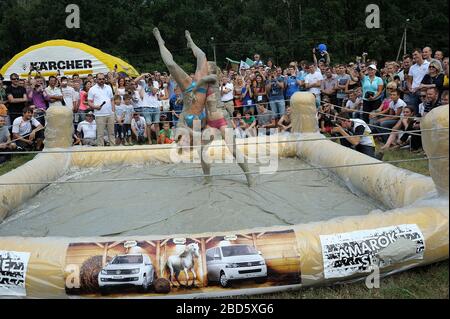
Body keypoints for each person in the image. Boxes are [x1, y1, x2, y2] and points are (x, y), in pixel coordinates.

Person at [88, 73, 115, 146]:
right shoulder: (92, 89)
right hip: (99, 114)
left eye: (103, 79)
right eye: (99, 79)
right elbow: (89, 102)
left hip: (110, 114)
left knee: (112, 133)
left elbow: (112, 99)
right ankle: (101, 149)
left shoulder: (108, 87)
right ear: (96, 79)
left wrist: (113, 111)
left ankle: (113, 149)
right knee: (100, 134)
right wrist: (95, 107)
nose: (101, 80)